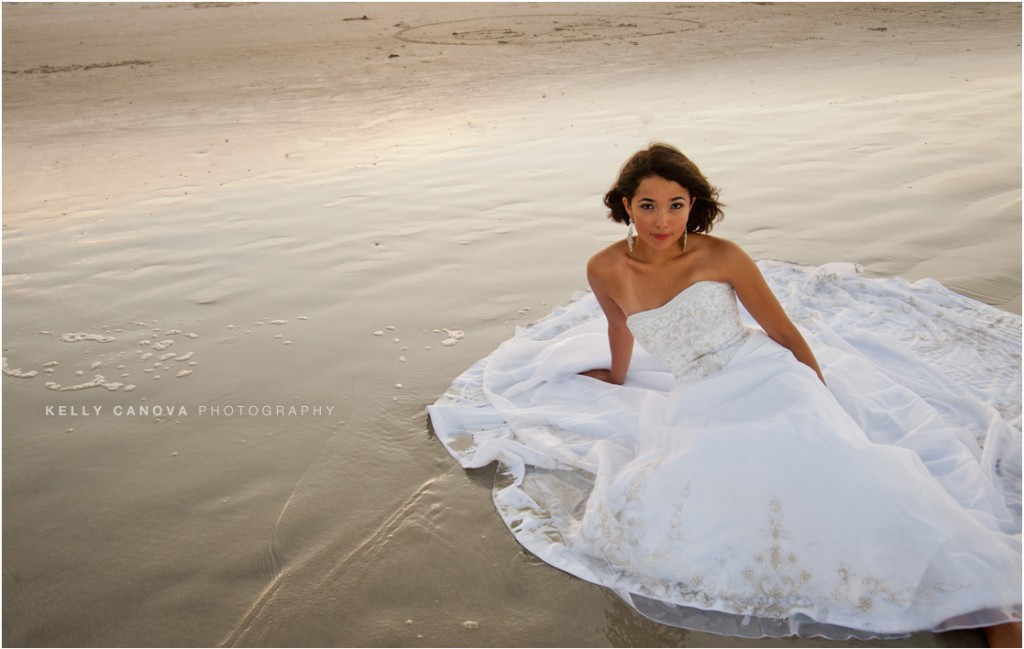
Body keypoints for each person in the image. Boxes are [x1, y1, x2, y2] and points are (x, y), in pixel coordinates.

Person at [428, 143, 1021, 644]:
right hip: (697, 393)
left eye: (677, 205)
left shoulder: (723, 255)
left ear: (695, 204)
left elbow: (783, 331)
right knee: (660, 506)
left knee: (840, 470)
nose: (663, 220)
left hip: (764, 371)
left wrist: (818, 390)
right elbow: (618, 326)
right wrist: (615, 376)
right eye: (648, 206)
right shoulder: (604, 267)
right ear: (625, 207)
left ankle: (988, 595)